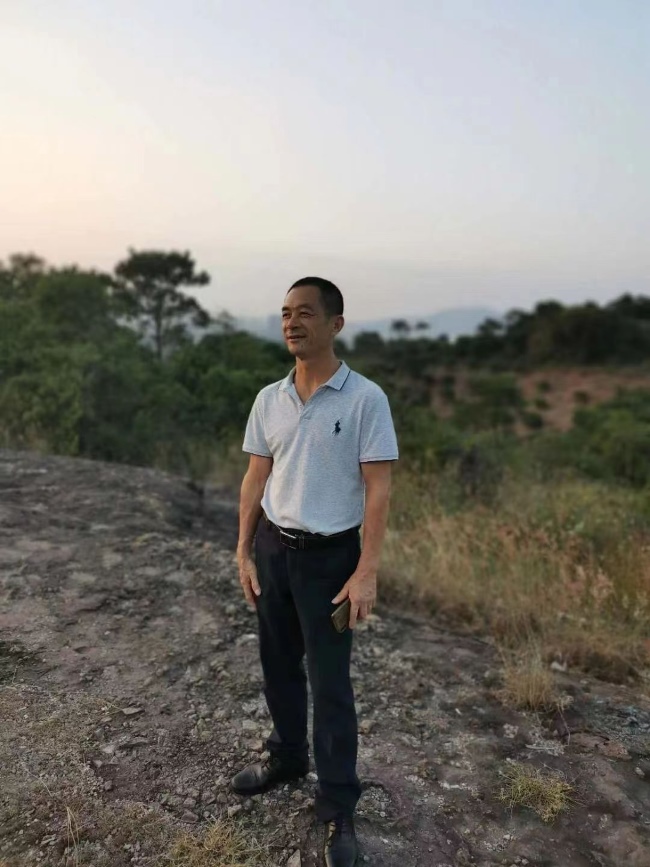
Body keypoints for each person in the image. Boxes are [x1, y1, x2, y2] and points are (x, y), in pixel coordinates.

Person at [232, 277, 398, 867]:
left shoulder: (365, 400)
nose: (291, 322)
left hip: (330, 560)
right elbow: (256, 476)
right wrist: (243, 549)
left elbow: (378, 489)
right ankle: (286, 757)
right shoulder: (269, 398)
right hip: (275, 550)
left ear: (335, 324)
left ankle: (337, 804)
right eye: (285, 313)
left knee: (330, 685)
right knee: (277, 664)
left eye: (304, 313)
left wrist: (366, 570)